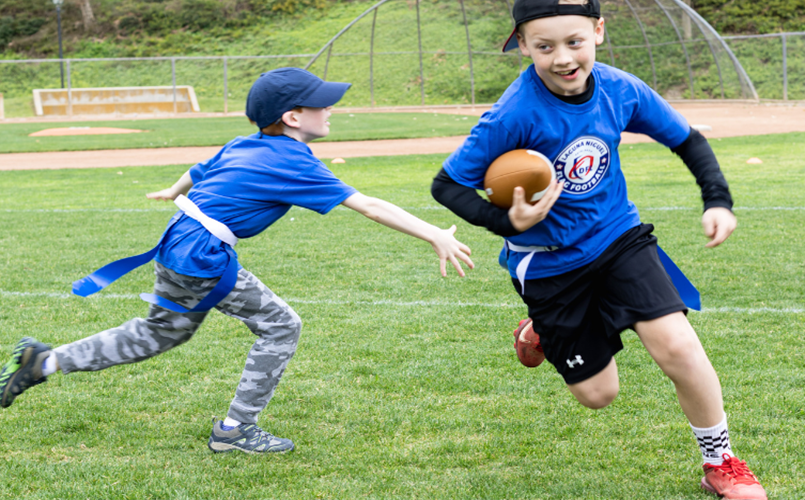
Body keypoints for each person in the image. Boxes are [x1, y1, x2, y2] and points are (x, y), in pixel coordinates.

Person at [0, 67, 474, 455]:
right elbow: (369, 205)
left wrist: (174, 189)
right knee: (281, 325)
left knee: (159, 332)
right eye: (321, 103)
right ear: (292, 116)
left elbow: (201, 167)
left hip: (180, 243)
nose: (330, 108)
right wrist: (435, 233)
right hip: (201, 255)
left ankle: (45, 361)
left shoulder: (247, 143)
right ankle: (234, 431)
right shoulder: (293, 160)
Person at [430, 1, 766, 498]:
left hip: (618, 238)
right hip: (548, 261)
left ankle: (720, 462)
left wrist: (717, 200)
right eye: (544, 47)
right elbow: (447, 185)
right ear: (522, 46)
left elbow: (687, 140)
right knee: (597, 394)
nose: (563, 57)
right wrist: (505, 220)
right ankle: (540, 328)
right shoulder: (513, 113)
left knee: (677, 344)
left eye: (574, 42)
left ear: (599, 32)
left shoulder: (620, 88)